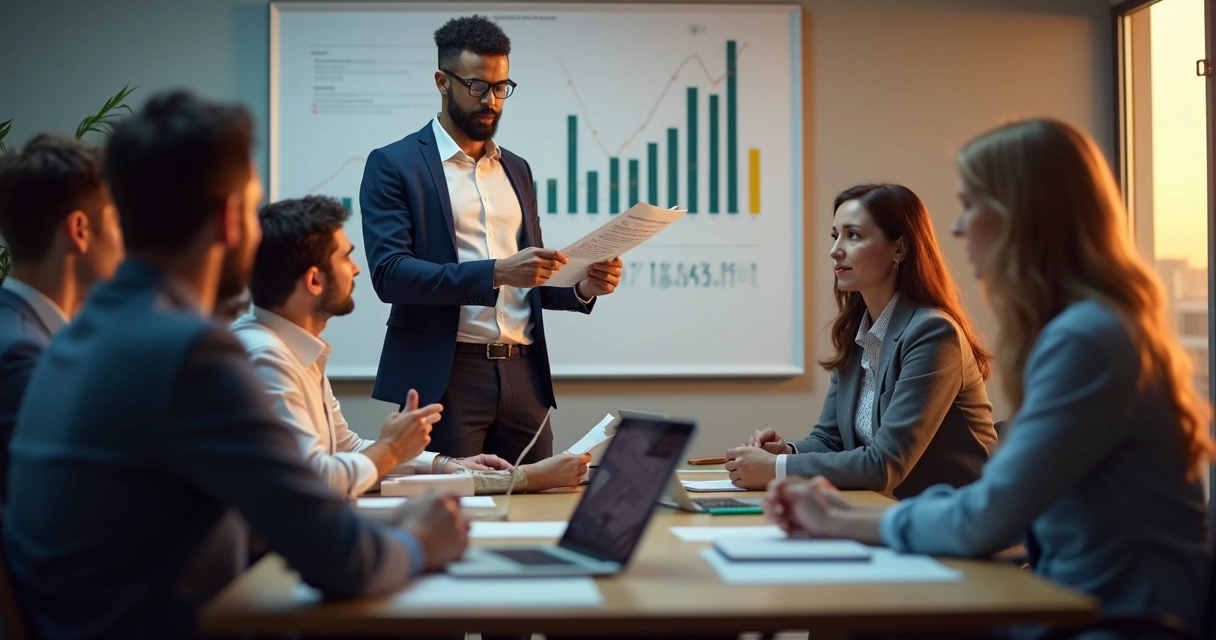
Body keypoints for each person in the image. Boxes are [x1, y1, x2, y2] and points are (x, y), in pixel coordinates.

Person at [2, 91, 468, 639]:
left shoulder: (78, 336)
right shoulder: (190, 353)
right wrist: (419, 540)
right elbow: (341, 560)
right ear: (229, 219)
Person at [765, 119, 1214, 635]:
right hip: (1071, 600)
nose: (956, 228)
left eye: (971, 205)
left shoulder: (1088, 340)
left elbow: (990, 512)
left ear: (1026, 216)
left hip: (1113, 618)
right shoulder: (1082, 330)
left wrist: (840, 519)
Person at [359, 15, 623, 464]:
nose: (492, 101)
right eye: (477, 86)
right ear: (442, 82)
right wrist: (498, 271)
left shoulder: (516, 168)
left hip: (525, 373)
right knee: (454, 511)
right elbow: (390, 276)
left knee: (540, 502)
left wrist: (581, 288)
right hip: (446, 373)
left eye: (502, 87)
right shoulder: (394, 164)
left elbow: (529, 281)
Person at [232, 195, 592, 498]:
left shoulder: (294, 349)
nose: (357, 269)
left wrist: (445, 464)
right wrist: (390, 449)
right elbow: (314, 481)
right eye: (345, 257)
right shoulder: (264, 356)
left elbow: (348, 449)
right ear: (313, 280)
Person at [727, 183, 996, 497]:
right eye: (835, 235)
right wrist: (784, 452)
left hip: (957, 531)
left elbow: (885, 464)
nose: (835, 250)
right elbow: (830, 441)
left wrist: (775, 470)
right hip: (889, 518)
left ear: (899, 249)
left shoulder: (933, 333)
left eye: (853, 235)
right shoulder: (861, 332)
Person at [0, 134, 124, 499]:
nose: (125, 242)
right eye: (118, 223)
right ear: (80, 230)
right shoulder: (20, 356)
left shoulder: (32, 335)